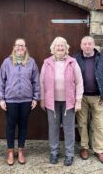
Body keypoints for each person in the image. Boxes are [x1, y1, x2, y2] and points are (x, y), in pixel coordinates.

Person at [40, 36, 83, 166]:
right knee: (53, 128)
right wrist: (42, 99)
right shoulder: (47, 62)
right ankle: (54, 152)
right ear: (53, 48)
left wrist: (78, 100)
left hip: (68, 102)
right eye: (57, 45)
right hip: (51, 102)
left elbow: (79, 82)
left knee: (69, 129)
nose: (59, 48)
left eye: (62, 45)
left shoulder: (72, 62)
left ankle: (69, 154)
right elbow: (41, 83)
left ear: (66, 48)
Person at [0, 38, 40, 165]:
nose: (20, 47)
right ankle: (10, 151)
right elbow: (1, 81)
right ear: (14, 47)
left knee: (23, 126)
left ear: (25, 48)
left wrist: (36, 98)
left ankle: (20, 151)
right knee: (10, 126)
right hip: (10, 100)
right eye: (18, 45)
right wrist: (1, 98)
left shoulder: (31, 62)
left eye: (23, 45)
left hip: (26, 100)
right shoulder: (7, 62)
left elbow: (36, 81)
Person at [75, 36, 103, 165]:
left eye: (90, 44)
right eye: (85, 44)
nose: (87, 46)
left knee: (98, 125)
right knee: (82, 123)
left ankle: (99, 150)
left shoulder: (101, 59)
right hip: (81, 97)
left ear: (94, 45)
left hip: (98, 97)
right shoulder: (76, 59)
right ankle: (84, 148)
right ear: (81, 45)